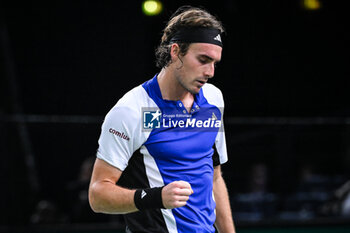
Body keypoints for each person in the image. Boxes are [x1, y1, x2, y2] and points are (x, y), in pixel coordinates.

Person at [88, 5, 236, 233]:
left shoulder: (214, 99)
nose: (210, 72)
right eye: (203, 60)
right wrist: (155, 197)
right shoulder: (133, 110)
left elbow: (214, 179)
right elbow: (98, 195)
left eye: (214, 63)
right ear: (176, 51)